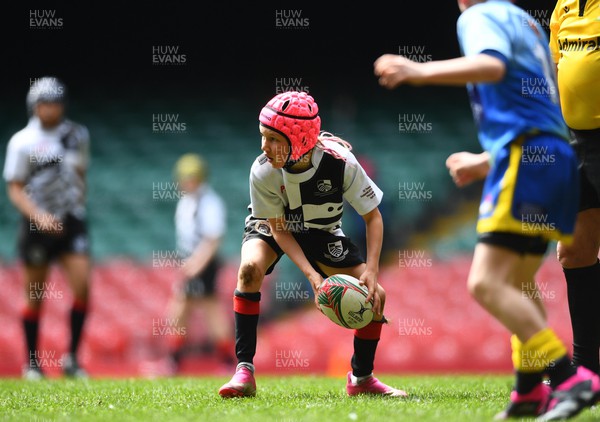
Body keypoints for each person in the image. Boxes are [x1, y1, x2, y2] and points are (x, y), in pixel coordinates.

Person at [374, 0, 600, 420]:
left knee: (486, 283)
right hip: (553, 153)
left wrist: (417, 70)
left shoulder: (480, 15)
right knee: (519, 280)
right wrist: (487, 158)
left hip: (526, 159)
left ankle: (570, 376)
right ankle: (530, 391)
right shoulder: (529, 22)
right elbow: (545, 103)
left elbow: (491, 66)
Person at [218, 91, 407, 398]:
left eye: (272, 138)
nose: (263, 147)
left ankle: (362, 379)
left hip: (322, 230)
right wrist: (311, 275)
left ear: (299, 139)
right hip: (273, 224)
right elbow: (278, 229)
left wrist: (372, 270)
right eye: (262, 136)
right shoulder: (263, 168)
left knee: (375, 295)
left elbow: (373, 218)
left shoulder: (341, 163)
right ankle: (244, 371)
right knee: (249, 269)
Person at [3, 76, 91, 379]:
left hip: (71, 220)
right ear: (34, 106)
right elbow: (14, 188)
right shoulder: (21, 141)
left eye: (56, 102)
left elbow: (81, 173)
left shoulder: (77, 134)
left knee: (82, 287)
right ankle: (32, 363)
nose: (51, 109)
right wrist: (38, 217)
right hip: (36, 224)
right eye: (45, 103)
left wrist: (77, 205)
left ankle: (73, 360)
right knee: (35, 293)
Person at [550, 0, 600, 376]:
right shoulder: (563, 7)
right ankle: (587, 368)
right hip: (576, 142)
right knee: (573, 251)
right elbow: (556, 70)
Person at [166, 153, 234, 372]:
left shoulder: (209, 202)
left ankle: (224, 361)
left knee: (206, 308)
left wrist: (195, 265)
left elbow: (212, 239)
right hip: (191, 261)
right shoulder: (187, 202)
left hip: (203, 263)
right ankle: (176, 360)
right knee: (183, 308)